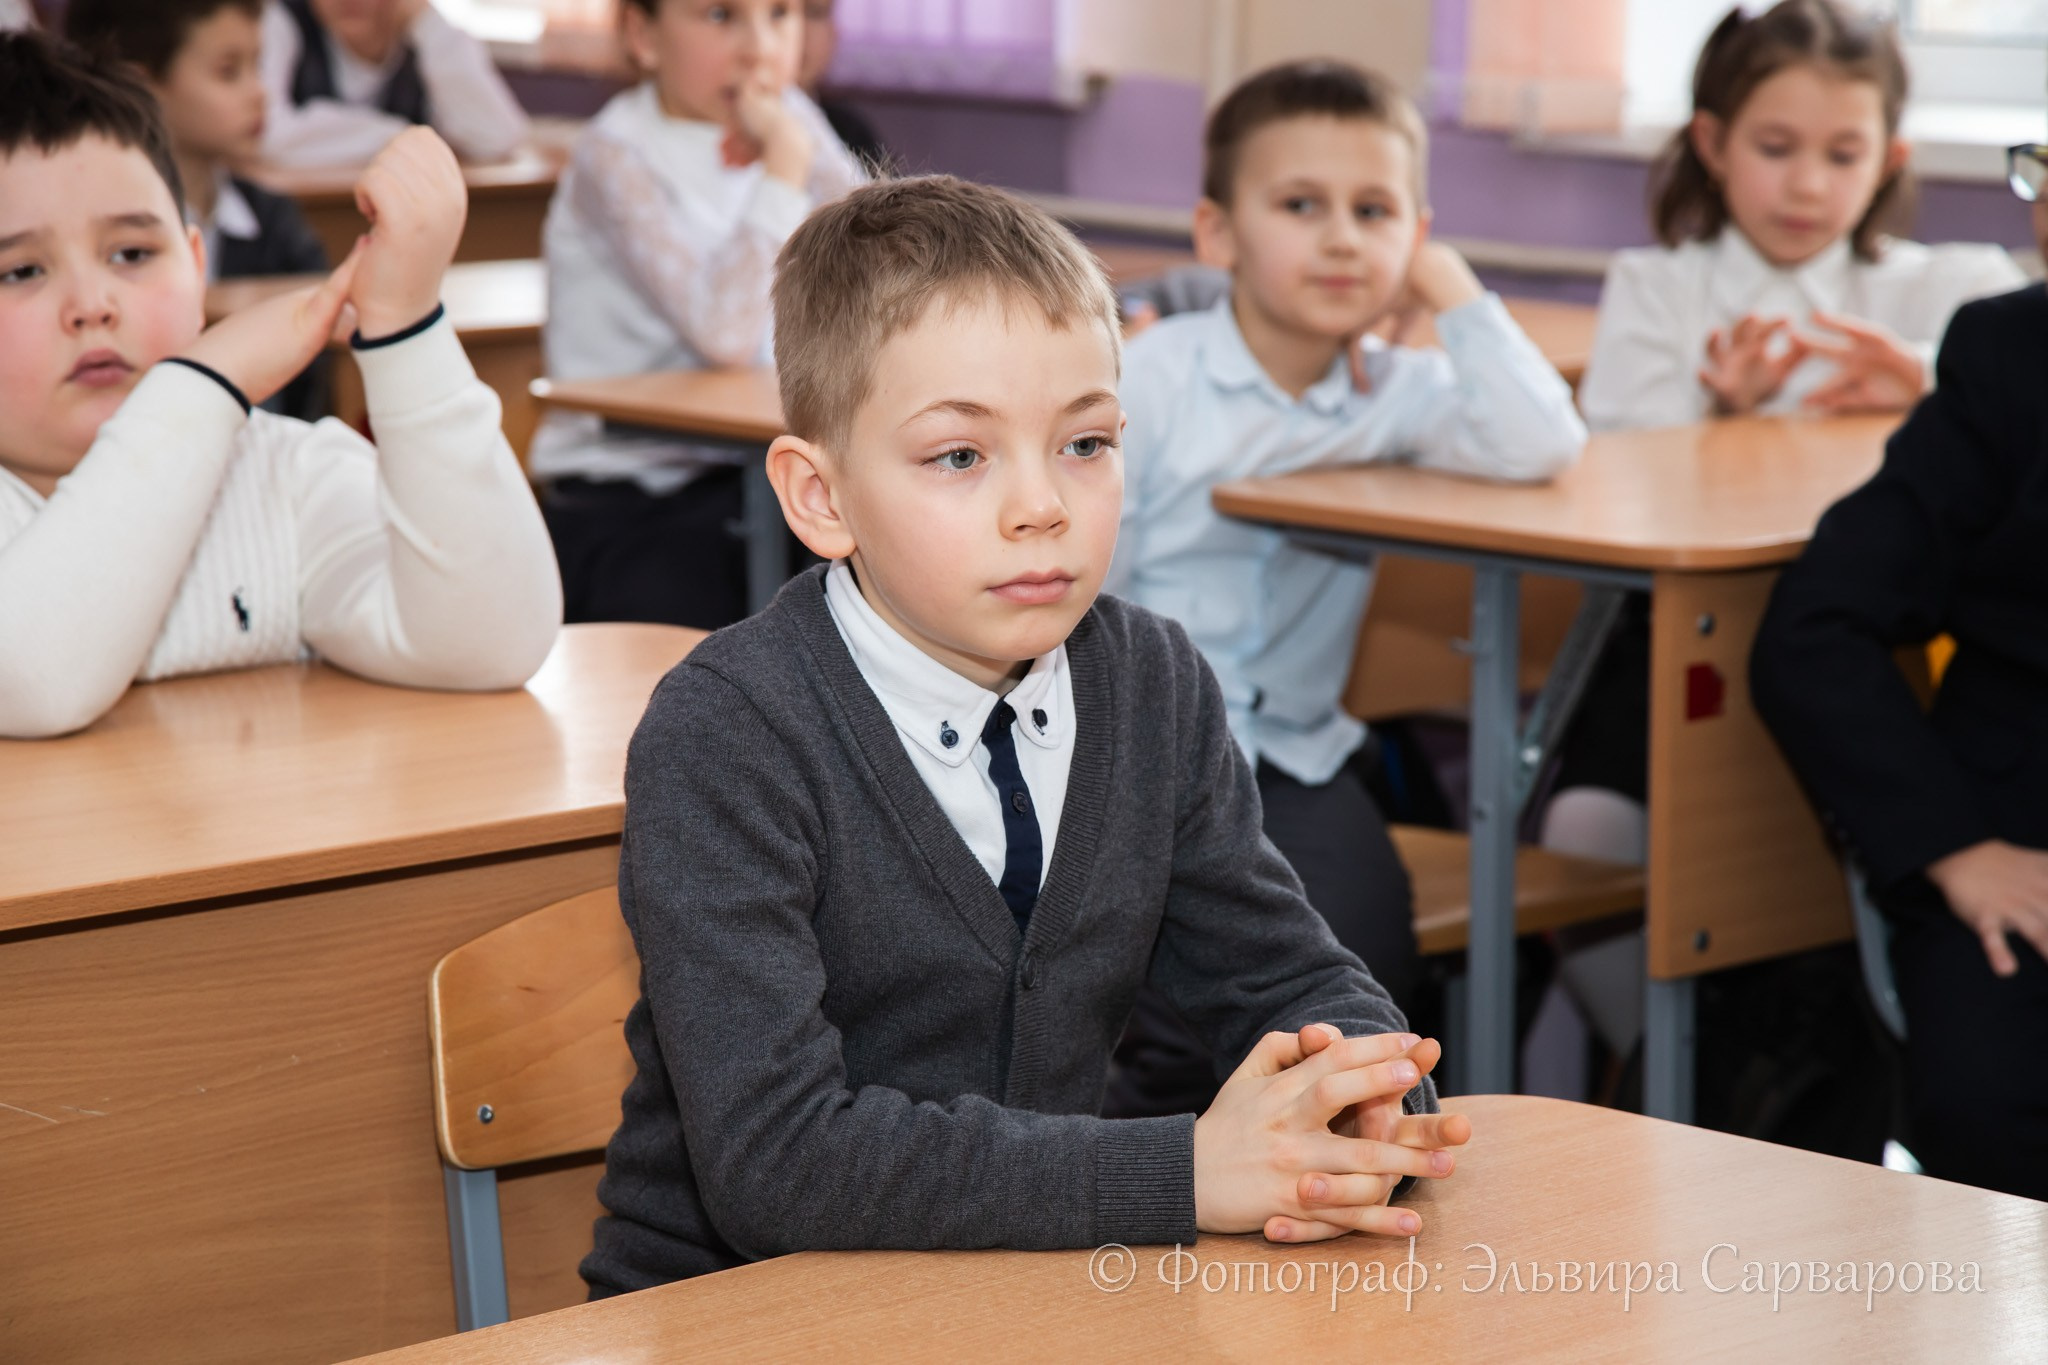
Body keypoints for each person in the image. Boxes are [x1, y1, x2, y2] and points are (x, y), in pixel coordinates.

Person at [578, 174, 1468, 1296]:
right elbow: (777, 1163)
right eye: (960, 456)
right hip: (726, 1311)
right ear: (820, 498)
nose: (1040, 505)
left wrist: (1362, 1085)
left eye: (1085, 443)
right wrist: (1185, 1172)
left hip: (1022, 1282)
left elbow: (1280, 973)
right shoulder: (729, 730)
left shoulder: (1149, 683)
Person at [1101, 60, 1585, 1118]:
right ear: (1216, 233)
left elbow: (1539, 438)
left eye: (1374, 213)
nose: (1339, 239)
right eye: (1299, 206)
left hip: (1296, 761)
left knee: (1371, 985)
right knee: (1168, 1031)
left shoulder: (1397, 395)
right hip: (1130, 758)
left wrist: (1448, 287)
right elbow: (1085, 583)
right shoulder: (1150, 379)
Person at [1547, 0, 2023, 1074]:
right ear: (1710, 144)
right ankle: (1674, 1084)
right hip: (1674, 643)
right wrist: (1710, 425)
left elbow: (2008, 364)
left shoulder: (1945, 288)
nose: (1806, 184)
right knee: (1585, 835)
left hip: (1872, 653)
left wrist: (1919, 381)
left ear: (1888, 159)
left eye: (1840, 153)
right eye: (1774, 149)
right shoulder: (1660, 289)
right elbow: (1606, 481)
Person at [0, 32, 560, 738]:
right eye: (20, 271)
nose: (93, 303)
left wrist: (406, 330)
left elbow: (491, 640)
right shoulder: (205, 400)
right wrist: (202, 383)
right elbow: (32, 683)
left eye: (133, 253)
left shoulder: (284, 474)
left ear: (197, 267)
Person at [1750, 144, 2048, 1203]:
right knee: (1986, 1107)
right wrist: (1955, 849)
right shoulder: (2009, 354)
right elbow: (1811, 630)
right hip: (2012, 830)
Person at [531, 0, 863, 629]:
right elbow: (725, 332)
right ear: (642, 34)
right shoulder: (616, 153)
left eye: (781, 15)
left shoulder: (791, 116)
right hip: (630, 499)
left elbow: (884, 252)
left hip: (757, 476)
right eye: (719, 16)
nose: (759, 48)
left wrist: (793, 147)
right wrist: (785, 166)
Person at [64, 0, 333, 419]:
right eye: (229, 71)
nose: (258, 92)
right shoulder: (85, 222)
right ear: (143, 83)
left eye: (257, 65)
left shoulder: (274, 221)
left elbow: (315, 378)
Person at [258, 0, 529, 166]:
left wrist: (429, 23)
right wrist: (402, 137)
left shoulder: (425, 37)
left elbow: (497, 137)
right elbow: (261, 132)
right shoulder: (282, 22)